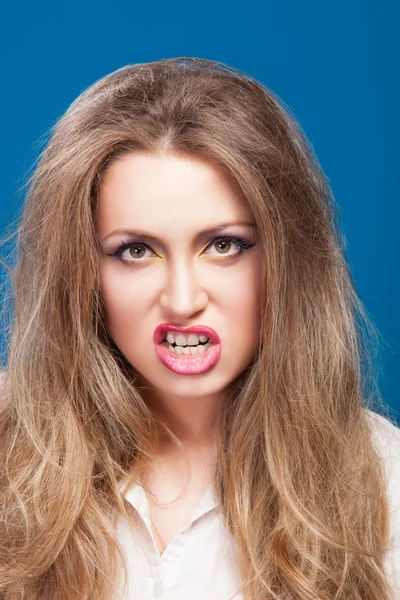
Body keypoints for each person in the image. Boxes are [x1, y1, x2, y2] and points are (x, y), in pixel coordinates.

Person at [0, 57, 399, 600]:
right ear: (81, 270)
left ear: (287, 258)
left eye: (224, 245)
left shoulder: (385, 479)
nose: (183, 301)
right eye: (136, 251)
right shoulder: (9, 455)